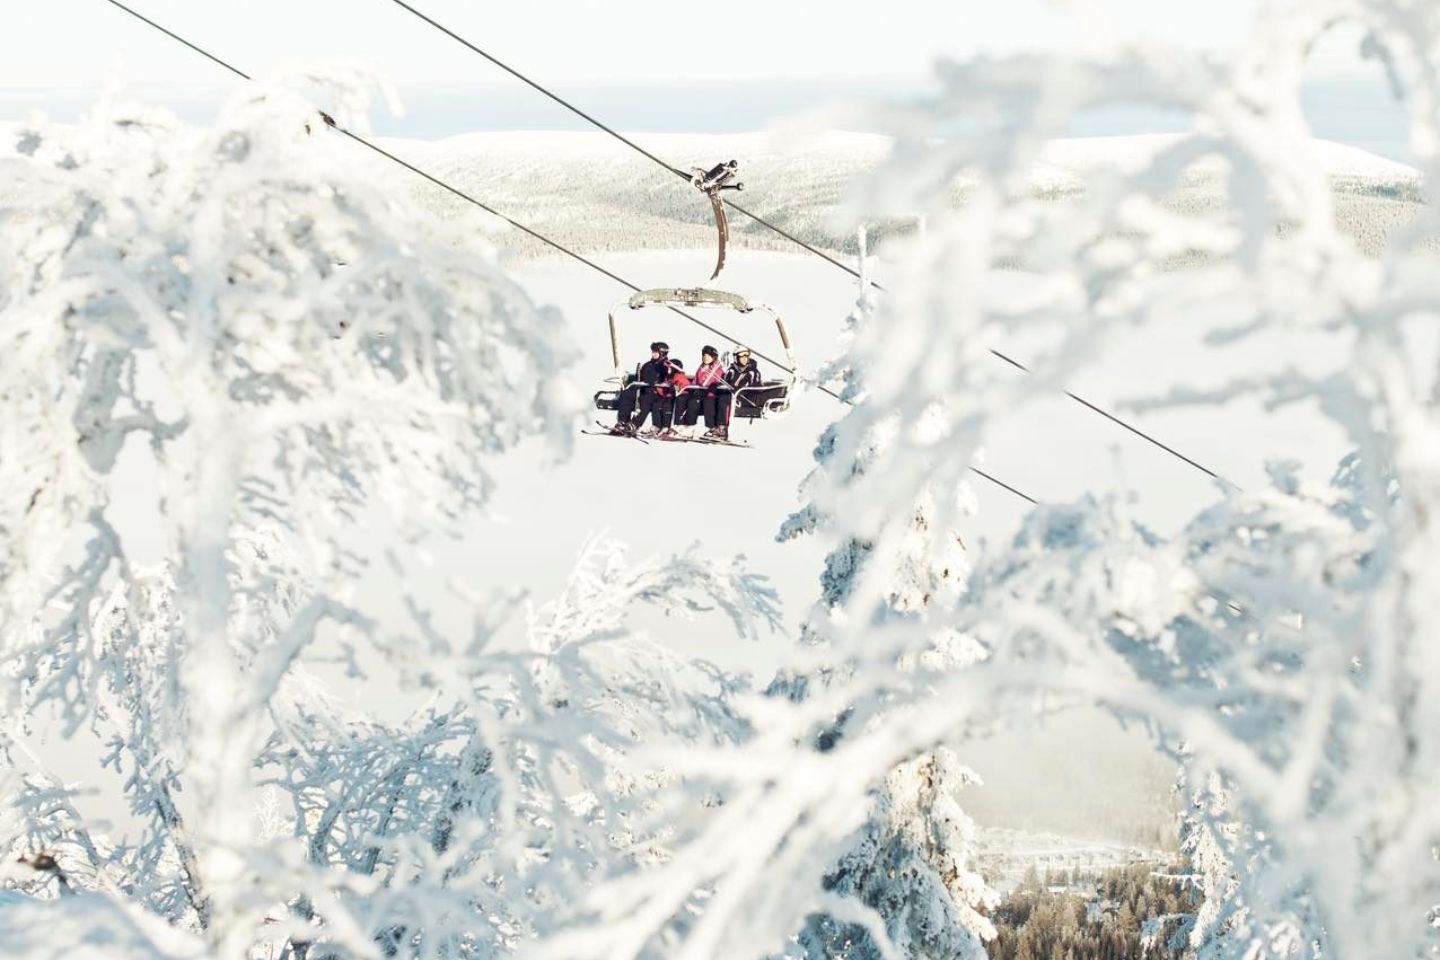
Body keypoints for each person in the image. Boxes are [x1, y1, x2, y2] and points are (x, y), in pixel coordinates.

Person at [612, 342, 684, 435]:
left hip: (658, 393)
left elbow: (672, 377)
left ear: (662, 353)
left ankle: (635, 424)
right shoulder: (648, 364)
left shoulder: (667, 365)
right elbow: (642, 377)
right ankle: (623, 421)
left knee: (646, 400)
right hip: (645, 389)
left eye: (656, 352)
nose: (653, 354)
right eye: (653, 352)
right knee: (627, 394)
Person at [678, 345, 729, 438]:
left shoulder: (717, 369)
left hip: (711, 395)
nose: (705, 357)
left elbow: (717, 381)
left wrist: (710, 389)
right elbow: (695, 381)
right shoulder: (701, 368)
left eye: (708, 356)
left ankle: (714, 428)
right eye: (704, 355)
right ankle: (688, 426)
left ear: (713, 357)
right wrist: (692, 389)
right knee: (689, 401)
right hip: (700, 394)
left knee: (708, 403)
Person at [715, 347, 762, 435]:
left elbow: (756, 388)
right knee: (716, 398)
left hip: (746, 399)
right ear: (736, 358)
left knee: (724, 399)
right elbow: (723, 382)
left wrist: (740, 391)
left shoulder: (753, 372)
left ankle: (722, 427)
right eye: (741, 356)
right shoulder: (731, 370)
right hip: (733, 396)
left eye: (746, 355)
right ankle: (715, 427)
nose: (744, 358)